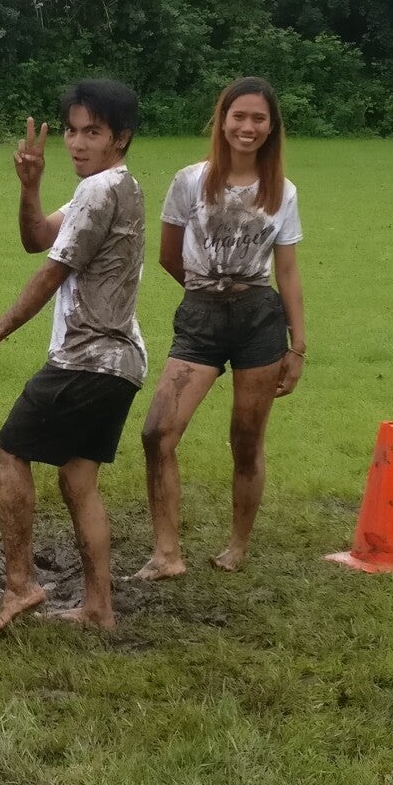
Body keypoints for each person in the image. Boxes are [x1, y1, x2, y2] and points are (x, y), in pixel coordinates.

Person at [0, 80, 146, 635]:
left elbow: (51, 270)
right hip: (121, 363)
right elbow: (37, 237)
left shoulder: (100, 191)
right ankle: (99, 607)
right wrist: (29, 187)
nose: (77, 143)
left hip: (86, 358)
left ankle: (20, 583)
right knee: (78, 480)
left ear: (121, 138)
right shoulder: (110, 188)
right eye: (72, 131)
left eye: (92, 132)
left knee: (7, 452)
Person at [135, 78, 307, 579]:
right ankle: (167, 554)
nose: (247, 127)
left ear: (271, 127)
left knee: (246, 441)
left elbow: (288, 271)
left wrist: (297, 346)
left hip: (259, 320)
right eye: (239, 116)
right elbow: (169, 254)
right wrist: (206, 290)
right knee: (158, 433)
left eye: (259, 118)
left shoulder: (282, 192)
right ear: (222, 121)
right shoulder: (190, 181)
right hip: (201, 318)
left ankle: (237, 546)